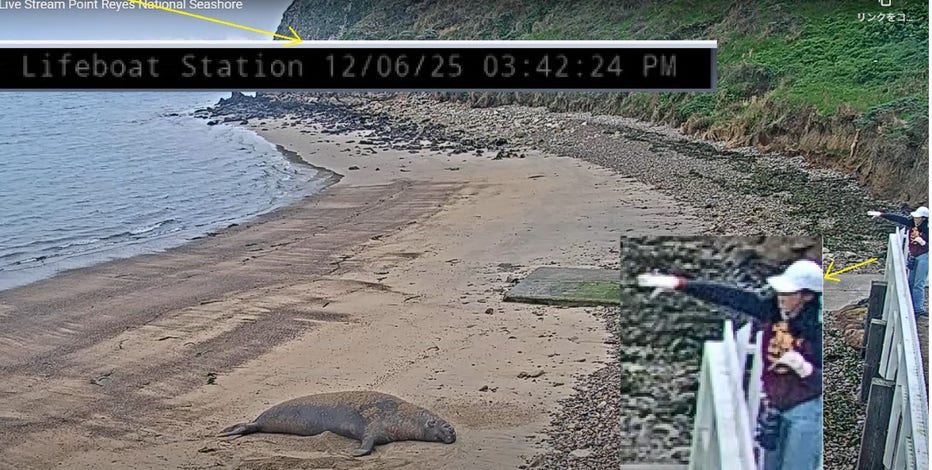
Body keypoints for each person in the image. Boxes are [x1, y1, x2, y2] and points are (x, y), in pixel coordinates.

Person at [637, 259, 823, 470]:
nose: (780, 297)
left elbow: (823, 383)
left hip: (806, 412)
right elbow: (729, 296)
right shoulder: (771, 312)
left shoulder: (817, 332)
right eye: (780, 291)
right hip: (775, 408)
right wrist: (679, 284)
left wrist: (803, 368)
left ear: (807, 296)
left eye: (788, 293)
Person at [868, 206, 929, 316]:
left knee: (918, 284)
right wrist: (882, 214)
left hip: (924, 256)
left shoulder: (928, 230)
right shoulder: (912, 223)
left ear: (924, 218)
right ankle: (911, 305)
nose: (915, 219)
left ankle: (918, 309)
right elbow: (898, 218)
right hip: (914, 256)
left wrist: (923, 242)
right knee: (910, 282)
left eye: (918, 217)